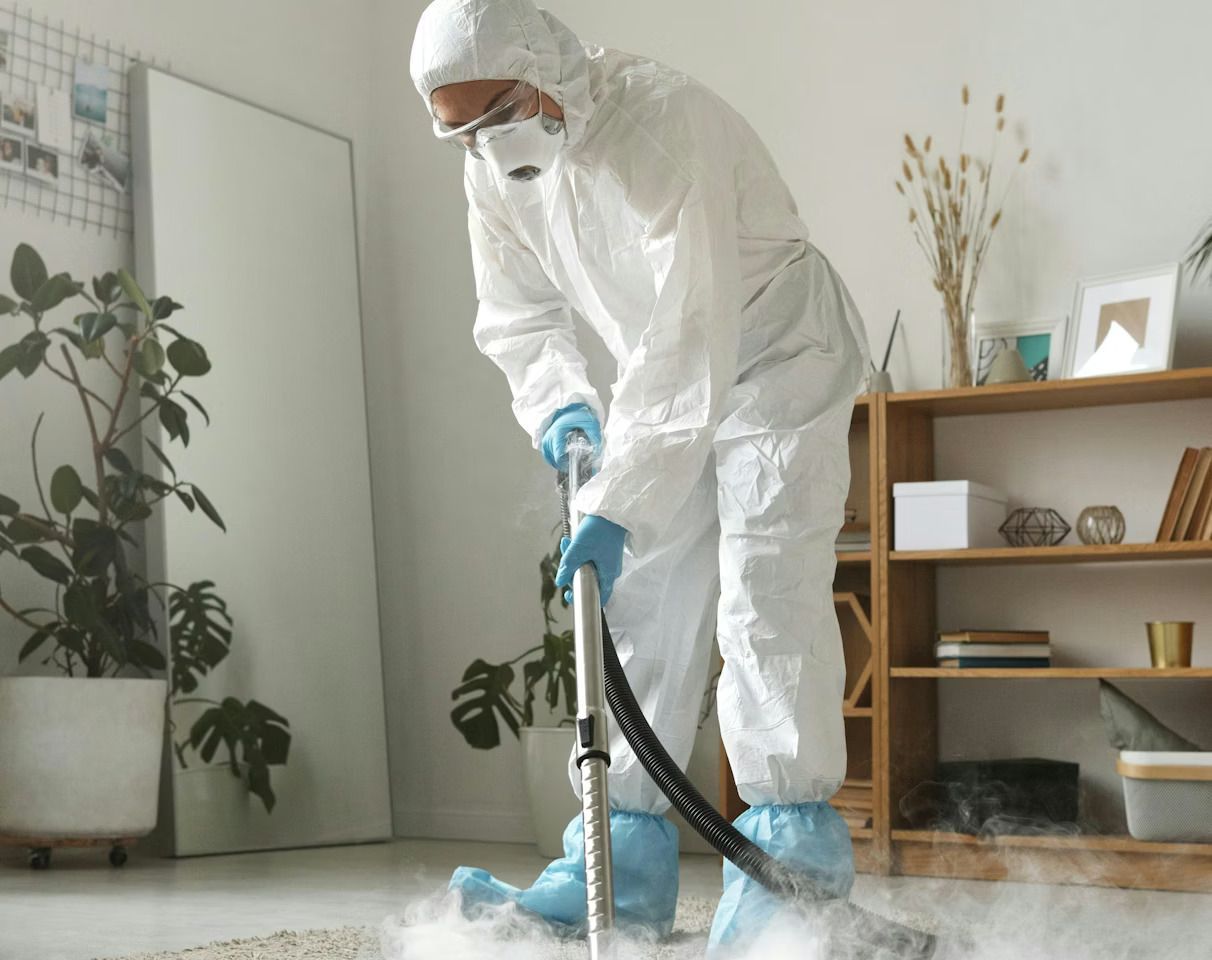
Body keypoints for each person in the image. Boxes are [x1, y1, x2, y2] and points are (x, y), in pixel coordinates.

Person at [410, 0, 869, 951]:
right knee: (647, 603)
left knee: (764, 594)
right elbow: (517, 313)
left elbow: (696, 326)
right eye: (460, 132)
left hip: (776, 354)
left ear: (542, 69)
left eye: (497, 116)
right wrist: (560, 405)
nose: (488, 145)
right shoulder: (491, 171)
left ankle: (794, 871)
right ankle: (618, 864)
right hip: (663, 375)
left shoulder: (663, 124)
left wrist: (618, 499)